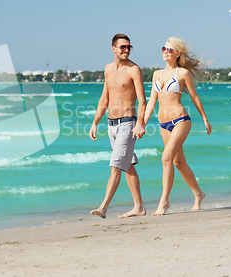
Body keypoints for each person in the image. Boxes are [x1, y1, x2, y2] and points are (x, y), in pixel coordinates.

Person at [144, 37, 212, 216]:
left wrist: (205, 118)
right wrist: (142, 122)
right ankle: (199, 194)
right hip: (163, 124)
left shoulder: (182, 74)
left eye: (170, 50)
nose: (166, 52)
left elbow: (194, 97)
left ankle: (164, 202)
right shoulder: (156, 74)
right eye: (163, 48)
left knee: (166, 158)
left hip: (181, 121)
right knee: (178, 162)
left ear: (178, 54)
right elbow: (151, 101)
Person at [89, 34, 147, 218]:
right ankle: (139, 207)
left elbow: (142, 101)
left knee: (115, 166)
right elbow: (104, 98)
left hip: (127, 124)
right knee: (127, 164)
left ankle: (103, 207)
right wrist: (95, 122)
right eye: (123, 47)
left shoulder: (134, 70)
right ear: (113, 48)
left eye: (129, 47)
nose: (126, 50)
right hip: (111, 125)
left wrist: (140, 123)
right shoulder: (108, 69)